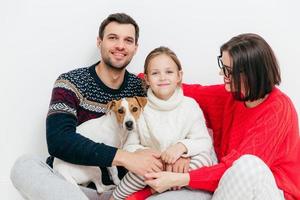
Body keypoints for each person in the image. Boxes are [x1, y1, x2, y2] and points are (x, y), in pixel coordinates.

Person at [10, 13, 163, 200]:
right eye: (113, 38)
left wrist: (181, 150)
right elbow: (59, 141)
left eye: (128, 40)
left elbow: (166, 116)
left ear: (135, 48)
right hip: (68, 188)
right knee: (24, 165)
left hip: (120, 191)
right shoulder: (71, 82)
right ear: (99, 42)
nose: (120, 46)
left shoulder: (140, 88)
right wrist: (124, 157)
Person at [142, 33, 300, 200]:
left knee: (248, 164)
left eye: (227, 70)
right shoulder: (232, 96)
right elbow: (190, 91)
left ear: (249, 74)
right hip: (227, 188)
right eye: (222, 65)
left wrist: (179, 179)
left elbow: (238, 170)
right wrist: (142, 79)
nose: (220, 72)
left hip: (271, 192)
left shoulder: (278, 108)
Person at [110, 46, 215, 200]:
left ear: (179, 76)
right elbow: (129, 147)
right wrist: (141, 152)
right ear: (146, 79)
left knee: (204, 159)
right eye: (155, 73)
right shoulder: (139, 109)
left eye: (169, 72)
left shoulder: (190, 106)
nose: (162, 77)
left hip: (181, 166)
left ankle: (152, 191)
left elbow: (204, 141)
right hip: (153, 167)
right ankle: (115, 197)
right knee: (136, 170)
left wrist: (182, 148)